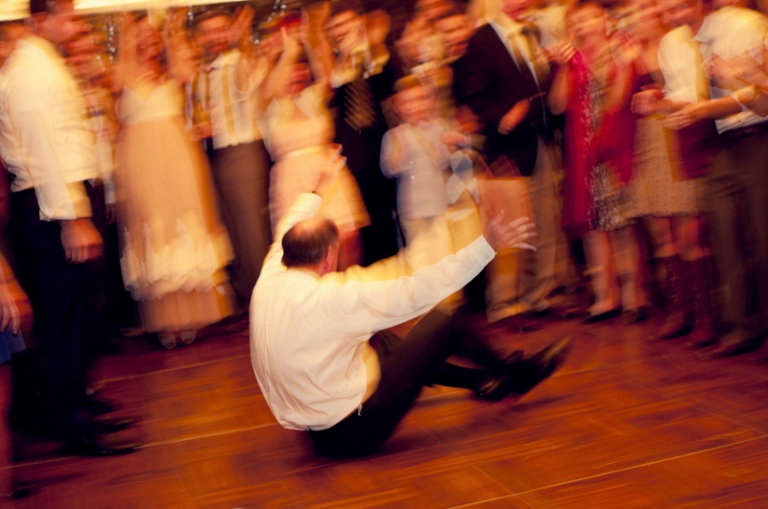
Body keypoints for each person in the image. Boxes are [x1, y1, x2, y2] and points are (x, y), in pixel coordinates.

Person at [250, 153, 572, 458]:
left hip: (316, 433)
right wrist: (487, 246)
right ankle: (516, 376)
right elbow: (419, 290)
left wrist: (318, 188)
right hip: (357, 431)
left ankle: (487, 381)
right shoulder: (333, 299)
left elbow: (291, 220)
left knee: (381, 341)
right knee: (444, 323)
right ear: (329, 257)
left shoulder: (270, 274)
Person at [0, 0, 133, 455]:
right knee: (61, 322)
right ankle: (71, 424)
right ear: (40, 19)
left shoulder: (42, 63)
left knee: (77, 318)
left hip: (56, 202)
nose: (75, 25)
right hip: (47, 207)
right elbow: (42, 153)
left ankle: (79, 405)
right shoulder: (28, 72)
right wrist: (71, 219)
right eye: (69, 16)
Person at [114, 13, 234, 349]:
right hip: (141, 163)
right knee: (155, 229)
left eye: (151, 33)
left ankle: (195, 314)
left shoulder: (171, 68)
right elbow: (119, 80)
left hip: (179, 157)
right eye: (141, 34)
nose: (147, 39)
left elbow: (186, 71)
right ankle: (165, 317)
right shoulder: (125, 70)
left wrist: (172, 32)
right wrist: (126, 37)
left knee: (185, 226)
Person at [660, 0, 768, 356]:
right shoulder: (675, 42)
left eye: (677, 8)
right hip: (719, 143)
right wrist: (661, 103)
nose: (670, 17)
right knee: (724, 235)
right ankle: (739, 327)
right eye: (665, 10)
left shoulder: (742, 25)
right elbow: (687, 97)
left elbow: (756, 95)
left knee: (761, 237)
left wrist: (711, 103)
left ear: (698, 4)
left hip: (757, 135)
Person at [453, 0, 561, 323]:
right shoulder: (482, 39)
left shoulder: (531, 33)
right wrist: (501, 116)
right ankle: (503, 304)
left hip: (540, 142)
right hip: (505, 150)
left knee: (545, 225)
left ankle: (536, 297)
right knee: (509, 230)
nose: (518, 3)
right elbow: (472, 94)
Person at [547, 2, 647, 322]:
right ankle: (605, 297)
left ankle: (634, 296)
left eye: (589, 18)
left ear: (604, 19)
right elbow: (556, 106)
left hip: (615, 147)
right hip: (582, 152)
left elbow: (618, 101)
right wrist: (563, 69)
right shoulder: (571, 59)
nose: (583, 25)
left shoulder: (620, 49)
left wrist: (626, 65)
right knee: (592, 226)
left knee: (622, 224)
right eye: (577, 21)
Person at [629, 0, 717, 345]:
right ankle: (680, 312)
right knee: (663, 232)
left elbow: (695, 93)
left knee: (690, 231)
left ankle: (705, 317)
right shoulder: (647, 47)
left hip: (683, 135)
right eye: (636, 10)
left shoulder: (685, 39)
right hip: (651, 140)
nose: (643, 15)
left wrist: (661, 98)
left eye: (648, 8)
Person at [258, 11, 368, 270]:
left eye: (299, 69)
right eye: (288, 70)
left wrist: (308, 40)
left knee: (347, 237)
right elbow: (268, 90)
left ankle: (348, 289)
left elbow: (327, 77)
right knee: (310, 249)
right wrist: (288, 51)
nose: (294, 75)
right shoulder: (269, 107)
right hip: (292, 179)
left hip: (326, 173)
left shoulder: (311, 98)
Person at [188, 6, 273, 306]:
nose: (214, 37)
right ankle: (247, 296)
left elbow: (248, 87)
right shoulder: (198, 75)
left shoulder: (242, 61)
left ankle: (267, 299)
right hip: (212, 156)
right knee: (229, 229)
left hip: (243, 152)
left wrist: (242, 40)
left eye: (220, 29)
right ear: (197, 38)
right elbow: (192, 117)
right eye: (207, 32)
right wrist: (196, 128)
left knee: (251, 230)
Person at [326, 0, 402, 266]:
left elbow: (390, 89)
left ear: (359, 23)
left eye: (347, 23)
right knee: (364, 222)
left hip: (382, 148)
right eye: (335, 26)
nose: (342, 30)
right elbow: (330, 98)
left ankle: (395, 272)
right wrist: (344, 58)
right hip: (352, 156)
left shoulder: (376, 55)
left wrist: (371, 48)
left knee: (389, 218)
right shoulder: (329, 64)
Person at [380, 76, 465, 270]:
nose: (413, 106)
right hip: (412, 208)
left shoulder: (439, 127)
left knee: (443, 255)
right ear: (396, 107)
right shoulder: (393, 135)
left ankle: (446, 289)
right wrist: (401, 147)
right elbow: (390, 170)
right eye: (406, 102)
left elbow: (442, 162)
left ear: (430, 101)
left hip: (438, 204)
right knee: (420, 260)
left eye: (419, 99)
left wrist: (451, 145)